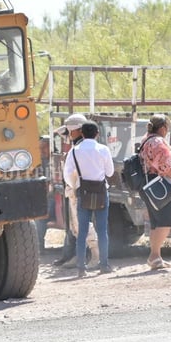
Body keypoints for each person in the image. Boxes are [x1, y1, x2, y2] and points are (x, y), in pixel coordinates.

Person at [63, 120, 115, 277]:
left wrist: (76, 184)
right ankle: (104, 265)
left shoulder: (74, 151)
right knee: (102, 230)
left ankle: (81, 268)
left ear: (82, 134)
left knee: (82, 231)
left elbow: (67, 175)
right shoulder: (103, 149)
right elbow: (110, 173)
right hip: (100, 193)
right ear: (97, 134)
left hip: (83, 193)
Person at [138, 114, 171, 270]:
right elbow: (166, 165)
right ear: (163, 128)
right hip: (160, 185)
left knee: (156, 223)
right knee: (165, 221)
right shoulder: (158, 142)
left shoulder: (146, 139)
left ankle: (156, 256)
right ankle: (154, 256)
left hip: (149, 186)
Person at [54, 114, 100, 268]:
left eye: (71, 131)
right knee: (76, 226)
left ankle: (95, 256)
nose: (68, 135)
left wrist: (73, 187)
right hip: (76, 189)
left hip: (78, 189)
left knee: (82, 224)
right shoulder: (79, 146)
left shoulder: (80, 148)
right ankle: (81, 256)